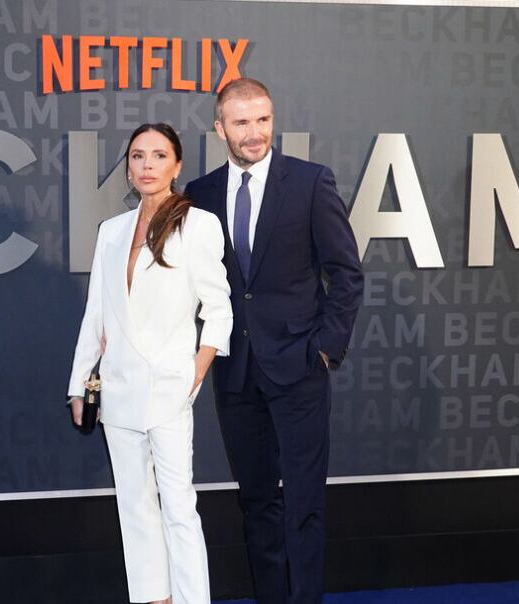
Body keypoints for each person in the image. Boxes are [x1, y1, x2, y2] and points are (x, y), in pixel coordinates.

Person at [183, 78, 364, 604]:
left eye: (263, 119)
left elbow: (346, 273)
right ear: (220, 129)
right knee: (257, 501)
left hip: (300, 367)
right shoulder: (200, 193)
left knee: (304, 503)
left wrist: (325, 348)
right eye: (241, 122)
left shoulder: (310, 182)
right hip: (235, 372)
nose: (255, 132)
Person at [67, 122, 233, 604]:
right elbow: (96, 313)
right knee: (135, 506)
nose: (147, 166)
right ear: (128, 167)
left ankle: (191, 598)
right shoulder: (112, 231)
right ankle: (152, 598)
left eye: (159, 156)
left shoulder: (198, 224)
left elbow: (219, 310)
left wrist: (193, 374)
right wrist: (79, 384)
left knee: (179, 507)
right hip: (118, 390)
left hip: (169, 390)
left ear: (176, 165)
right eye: (138, 156)